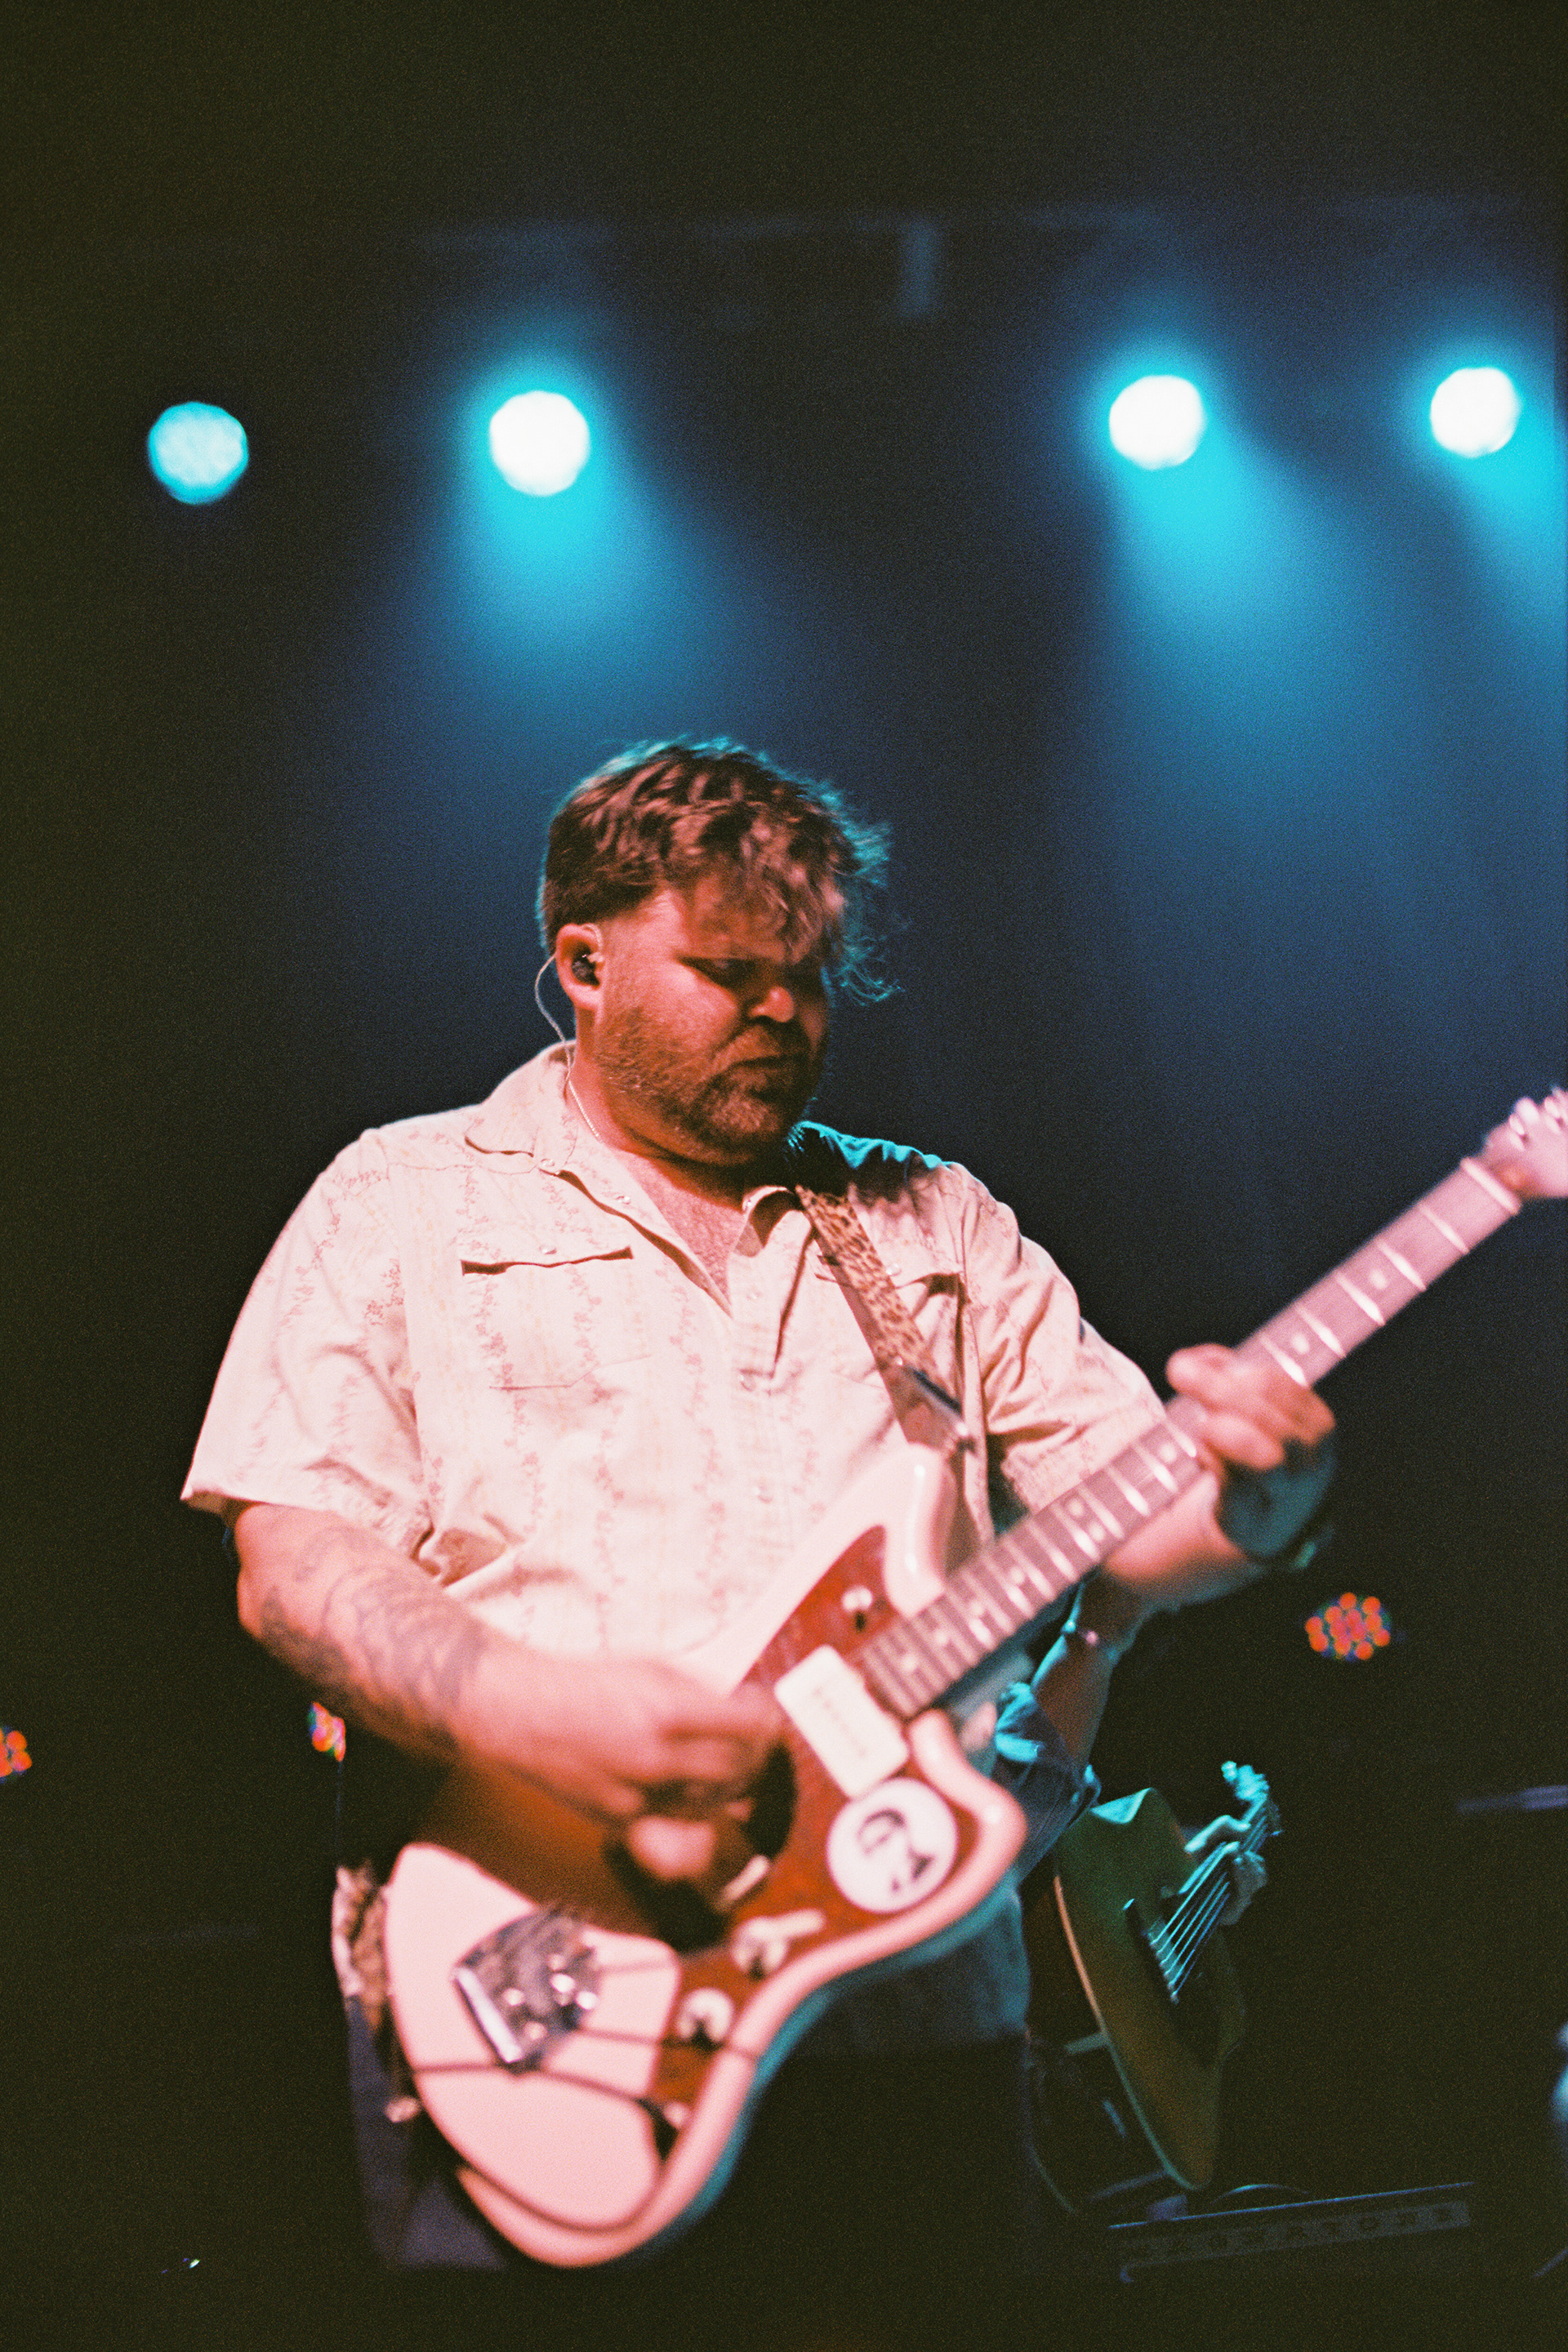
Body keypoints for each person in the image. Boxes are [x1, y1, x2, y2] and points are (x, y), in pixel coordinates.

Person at [182, 740, 1333, 2332]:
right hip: (559, 2013)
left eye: (811, 974)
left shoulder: (935, 1219)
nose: (785, 1011)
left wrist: (1260, 1507)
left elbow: (1133, 1526)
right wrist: (529, 1711)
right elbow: (296, 1563)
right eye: (731, 972)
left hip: (917, 2020)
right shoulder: (401, 1202)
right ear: (583, 961)